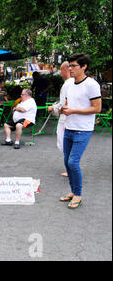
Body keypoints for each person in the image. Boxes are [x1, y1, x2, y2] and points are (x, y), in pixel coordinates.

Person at [59, 53, 101, 209]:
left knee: (72, 162)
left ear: (84, 67)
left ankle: (78, 195)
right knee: (66, 162)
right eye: (69, 66)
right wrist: (63, 109)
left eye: (74, 66)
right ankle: (73, 191)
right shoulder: (69, 84)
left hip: (83, 130)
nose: (70, 69)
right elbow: (68, 103)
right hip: (69, 127)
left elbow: (97, 108)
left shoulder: (91, 84)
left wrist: (74, 111)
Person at [47, 62, 74, 177]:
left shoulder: (68, 84)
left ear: (64, 70)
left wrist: (53, 108)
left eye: (61, 70)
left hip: (65, 118)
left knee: (64, 144)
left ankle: (70, 169)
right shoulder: (73, 83)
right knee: (66, 144)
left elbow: (63, 103)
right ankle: (70, 168)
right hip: (69, 117)